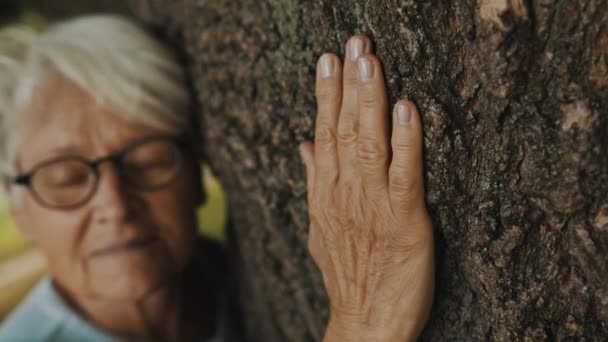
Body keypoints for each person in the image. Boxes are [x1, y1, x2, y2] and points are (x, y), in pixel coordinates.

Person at [0, 15, 434, 342]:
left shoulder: (237, 275)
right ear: (19, 209)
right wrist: (364, 323)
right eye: (66, 178)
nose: (115, 205)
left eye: (148, 160)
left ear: (194, 171)